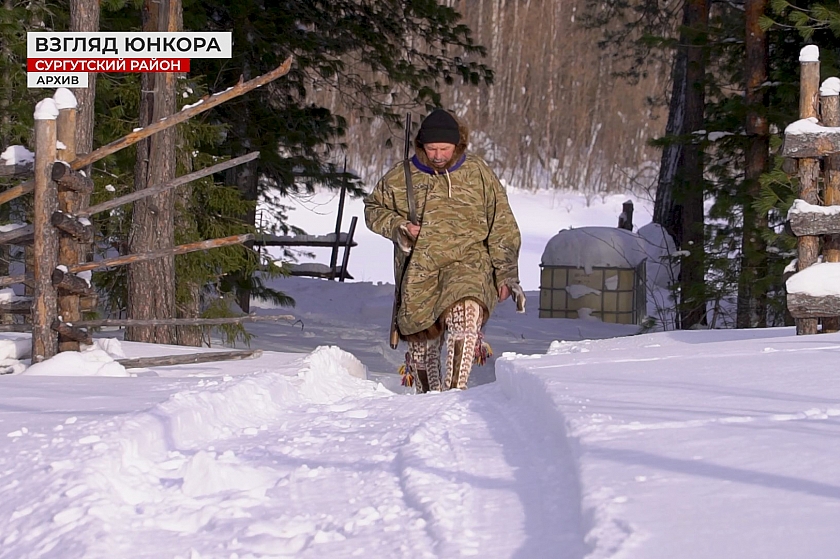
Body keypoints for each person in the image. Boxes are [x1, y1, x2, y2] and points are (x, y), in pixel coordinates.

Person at [364, 108, 525, 393]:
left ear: (458, 145)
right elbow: (373, 209)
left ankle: (454, 393)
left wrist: (506, 274)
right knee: (422, 342)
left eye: (445, 148)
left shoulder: (477, 173)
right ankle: (429, 398)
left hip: (469, 263)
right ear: (422, 146)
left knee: (466, 310)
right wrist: (399, 226)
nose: (438, 155)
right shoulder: (403, 176)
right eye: (432, 148)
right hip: (420, 270)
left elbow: (502, 224)